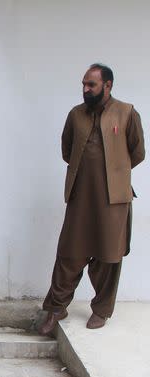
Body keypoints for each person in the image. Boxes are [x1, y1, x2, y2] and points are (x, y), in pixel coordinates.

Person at [37, 64, 145, 335]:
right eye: (84, 84)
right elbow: (67, 150)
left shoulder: (127, 113)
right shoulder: (76, 115)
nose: (85, 89)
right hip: (80, 196)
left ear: (107, 86)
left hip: (114, 201)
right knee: (69, 255)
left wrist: (115, 173)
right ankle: (56, 308)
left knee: (109, 256)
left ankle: (101, 310)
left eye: (91, 85)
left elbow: (138, 152)